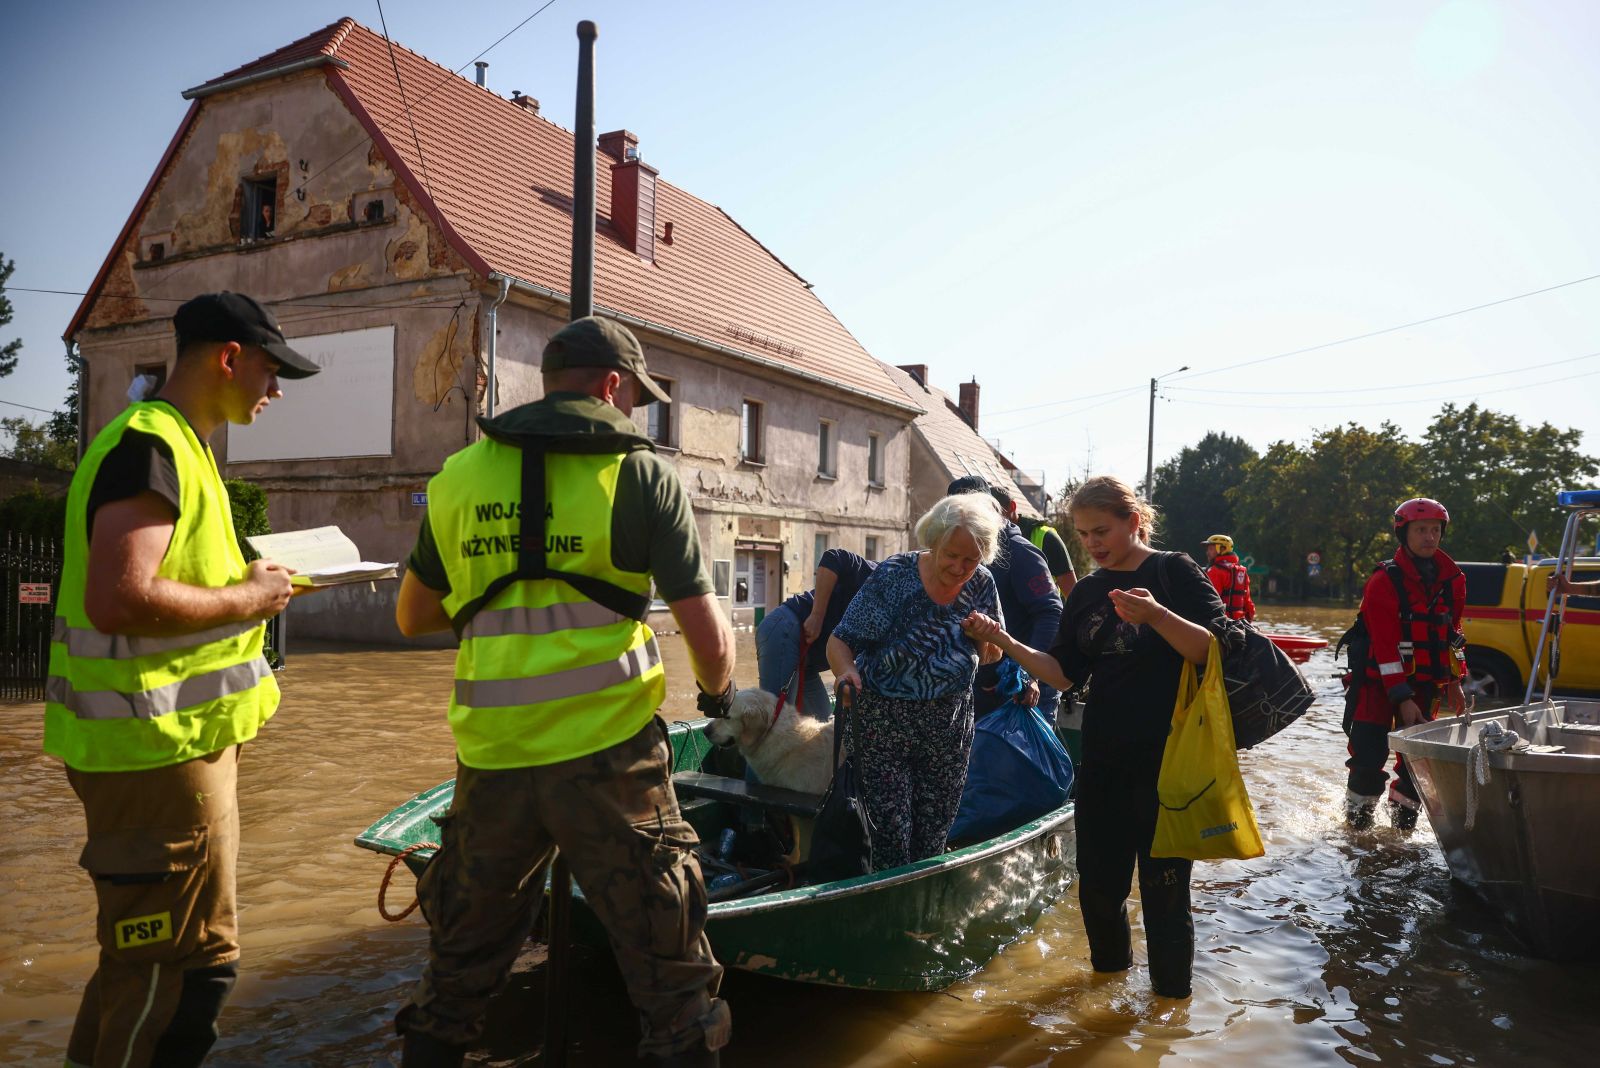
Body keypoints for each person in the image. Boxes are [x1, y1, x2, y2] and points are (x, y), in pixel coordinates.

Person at [391, 316, 736, 1068]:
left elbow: (412, 615)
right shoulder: (641, 476)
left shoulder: (457, 479)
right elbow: (708, 641)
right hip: (611, 763)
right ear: (613, 387)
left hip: (493, 760)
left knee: (456, 978)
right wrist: (719, 692)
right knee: (673, 982)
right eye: (633, 400)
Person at [44, 291, 321, 1067]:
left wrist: (251, 578)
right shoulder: (150, 445)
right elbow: (120, 597)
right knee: (182, 973)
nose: (274, 392)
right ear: (229, 357)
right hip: (152, 757)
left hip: (174, 755)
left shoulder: (182, 448)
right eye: (271, 373)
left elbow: (170, 578)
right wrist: (252, 597)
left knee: (146, 967)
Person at [963, 475, 1239, 1000]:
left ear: (1134, 521)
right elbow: (1063, 673)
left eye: (1101, 530)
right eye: (1083, 533)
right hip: (1105, 759)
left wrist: (1156, 615)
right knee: (1098, 891)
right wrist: (1001, 638)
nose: (1091, 543)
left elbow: (1213, 650)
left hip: (1169, 763)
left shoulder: (1173, 570)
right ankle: (1107, 1002)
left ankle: (1169, 1011)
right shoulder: (1088, 590)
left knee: (1164, 897)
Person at [826, 494, 1004, 871]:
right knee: (891, 830)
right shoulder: (895, 575)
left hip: (948, 725)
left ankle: (923, 917)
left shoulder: (983, 584)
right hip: (883, 722)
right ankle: (888, 911)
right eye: (951, 555)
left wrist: (985, 636)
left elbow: (992, 656)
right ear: (934, 541)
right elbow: (840, 640)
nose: (959, 567)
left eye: (970, 559)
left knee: (933, 832)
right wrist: (846, 672)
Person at [1345, 498, 1467, 832]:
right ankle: (1357, 833)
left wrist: (1456, 682)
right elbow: (1384, 648)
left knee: (1418, 767)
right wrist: (1401, 696)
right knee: (1368, 762)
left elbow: (1452, 634)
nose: (1430, 537)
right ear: (1404, 533)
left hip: (1425, 685)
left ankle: (1401, 835)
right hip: (1377, 686)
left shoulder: (1453, 580)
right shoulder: (1383, 581)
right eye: (1421, 530)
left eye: (1435, 530)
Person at [947, 476, 1063, 722]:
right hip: (980, 690)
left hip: (1021, 692)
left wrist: (1029, 674)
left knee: (1021, 760)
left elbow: (1051, 615)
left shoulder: (1020, 552)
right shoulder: (961, 552)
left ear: (991, 508)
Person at [755, 548, 876, 720]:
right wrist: (817, 616)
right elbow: (832, 557)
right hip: (787, 627)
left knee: (822, 726)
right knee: (777, 720)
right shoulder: (882, 575)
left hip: (809, 664)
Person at [1017, 512, 1078, 599]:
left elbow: (1073, 596)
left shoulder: (1047, 537)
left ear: (1012, 507)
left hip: (1047, 610)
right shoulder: (994, 540)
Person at [1202, 534, 1256, 621]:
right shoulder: (1241, 570)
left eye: (1211, 549)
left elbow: (1210, 602)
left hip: (1221, 623)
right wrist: (1248, 623)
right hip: (1240, 623)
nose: (1207, 552)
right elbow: (1248, 603)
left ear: (1222, 549)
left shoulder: (1215, 571)